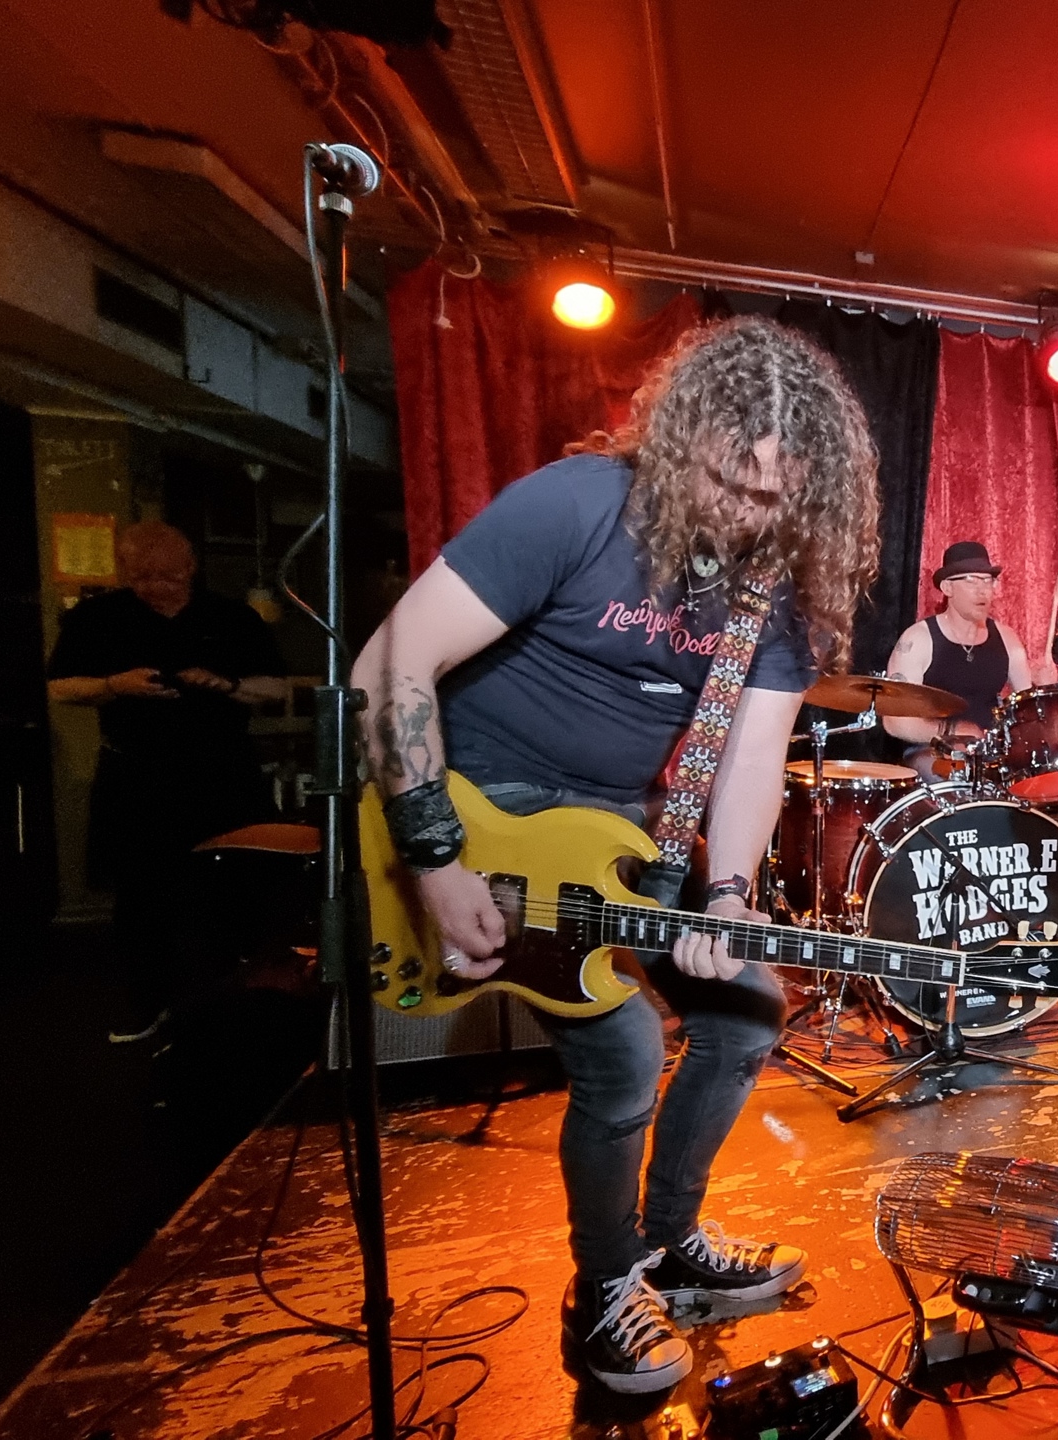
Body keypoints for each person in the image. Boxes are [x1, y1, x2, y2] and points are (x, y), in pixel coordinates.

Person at [352, 318, 880, 1395]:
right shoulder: (576, 504)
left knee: (747, 1008)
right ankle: (598, 1292)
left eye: (778, 495)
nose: (748, 510)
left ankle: (665, 1244)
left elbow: (747, 759)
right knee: (626, 1052)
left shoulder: (767, 588)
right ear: (680, 437)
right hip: (478, 809)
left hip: (624, 833)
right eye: (733, 480)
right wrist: (434, 858)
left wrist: (727, 894)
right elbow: (386, 668)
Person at [46, 520, 289, 1043]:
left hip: (220, 772)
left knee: (231, 889)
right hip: (136, 774)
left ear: (190, 566)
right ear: (125, 571)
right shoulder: (97, 617)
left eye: (167, 574)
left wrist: (225, 685)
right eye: (143, 576)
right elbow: (62, 686)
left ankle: (231, 1007)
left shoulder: (231, 616)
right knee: (141, 897)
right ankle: (148, 1004)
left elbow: (273, 686)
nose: (156, 585)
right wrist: (115, 684)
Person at [881, 540, 1046, 778]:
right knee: (949, 775)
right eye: (971, 580)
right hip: (931, 749)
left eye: (988, 581)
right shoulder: (918, 639)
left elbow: (1028, 712)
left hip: (989, 753)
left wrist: (1043, 685)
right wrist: (954, 730)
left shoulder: (1007, 639)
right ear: (947, 588)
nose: (983, 590)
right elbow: (895, 722)